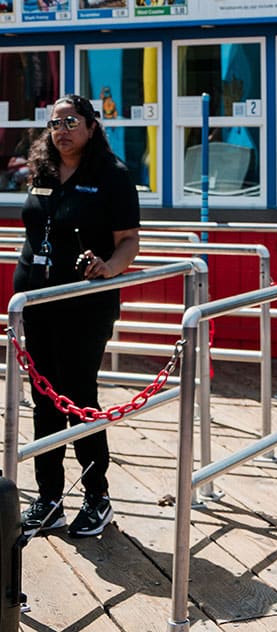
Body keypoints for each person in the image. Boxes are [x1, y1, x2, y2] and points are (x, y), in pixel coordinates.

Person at [13, 94, 140, 538]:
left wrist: (109, 267)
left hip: (84, 304)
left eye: (70, 122)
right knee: (44, 397)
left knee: (78, 395)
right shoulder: (42, 169)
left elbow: (128, 241)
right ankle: (49, 498)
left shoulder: (111, 175)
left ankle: (96, 497)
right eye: (54, 123)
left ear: (91, 126)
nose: (61, 131)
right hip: (36, 301)